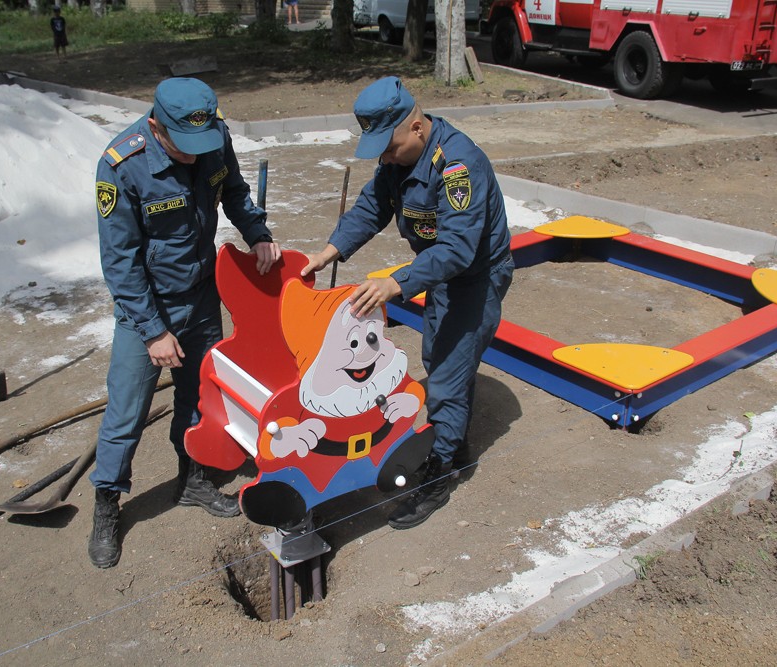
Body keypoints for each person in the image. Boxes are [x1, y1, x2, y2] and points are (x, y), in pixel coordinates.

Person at [301, 76, 514, 530]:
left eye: (390, 147)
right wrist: (330, 251)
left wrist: (395, 283)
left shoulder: (458, 166)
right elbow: (370, 208)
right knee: (439, 359)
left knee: (447, 375)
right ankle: (454, 441)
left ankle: (440, 472)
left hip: (474, 276)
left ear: (416, 127)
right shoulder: (399, 160)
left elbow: (457, 249)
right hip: (439, 273)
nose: (385, 158)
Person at [89, 77, 281, 569]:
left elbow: (235, 192)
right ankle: (108, 503)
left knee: (201, 396)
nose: (196, 156)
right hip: (146, 310)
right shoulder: (122, 167)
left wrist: (257, 233)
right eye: (184, 146)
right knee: (127, 412)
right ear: (156, 126)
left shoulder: (211, 140)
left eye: (204, 145)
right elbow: (121, 263)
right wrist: (153, 331)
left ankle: (193, 477)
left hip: (201, 300)